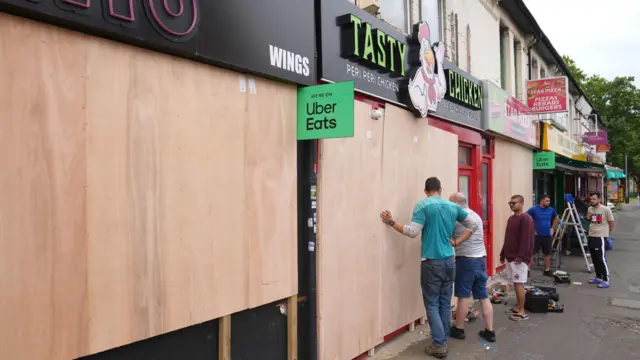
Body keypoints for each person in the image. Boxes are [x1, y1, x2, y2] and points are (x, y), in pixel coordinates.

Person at [380, 177, 478, 358]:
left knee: (432, 303)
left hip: (432, 262)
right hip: (450, 261)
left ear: (426, 191)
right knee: (444, 302)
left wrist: (391, 222)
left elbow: (412, 231)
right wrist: (457, 241)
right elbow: (472, 225)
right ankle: (442, 340)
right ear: (440, 189)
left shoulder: (423, 206)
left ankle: (439, 345)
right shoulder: (453, 207)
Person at [447, 192, 496, 343]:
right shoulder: (476, 216)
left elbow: (448, 236)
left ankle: (459, 328)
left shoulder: (457, 219)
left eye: (451, 203)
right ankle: (490, 331)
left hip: (466, 261)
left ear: (456, 204)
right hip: (481, 260)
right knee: (483, 296)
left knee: (463, 296)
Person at [499, 195, 535, 321]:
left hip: (519, 258)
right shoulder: (511, 219)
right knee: (515, 283)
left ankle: (522, 311)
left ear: (522, 203)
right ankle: (518, 307)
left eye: (514, 203)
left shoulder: (526, 219)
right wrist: (503, 253)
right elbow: (508, 237)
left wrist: (521, 257)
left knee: (519, 284)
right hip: (510, 257)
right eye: (510, 203)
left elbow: (527, 240)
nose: (511, 205)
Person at [586, 192, 615, 288]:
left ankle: (606, 280)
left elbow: (611, 223)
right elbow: (590, 219)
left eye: (594, 199)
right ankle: (598, 277)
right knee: (594, 258)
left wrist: (607, 234)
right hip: (591, 235)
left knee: (601, 258)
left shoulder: (606, 209)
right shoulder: (590, 208)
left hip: (601, 236)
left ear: (599, 199)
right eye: (591, 199)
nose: (592, 201)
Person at [526, 195, 559, 276]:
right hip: (536, 235)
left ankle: (547, 270)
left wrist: (552, 228)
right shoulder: (534, 209)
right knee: (531, 253)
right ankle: (527, 270)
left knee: (546, 253)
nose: (549, 202)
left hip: (547, 235)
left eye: (549, 201)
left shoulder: (551, 210)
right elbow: (526, 218)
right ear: (541, 201)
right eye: (547, 201)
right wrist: (532, 230)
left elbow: (556, 218)